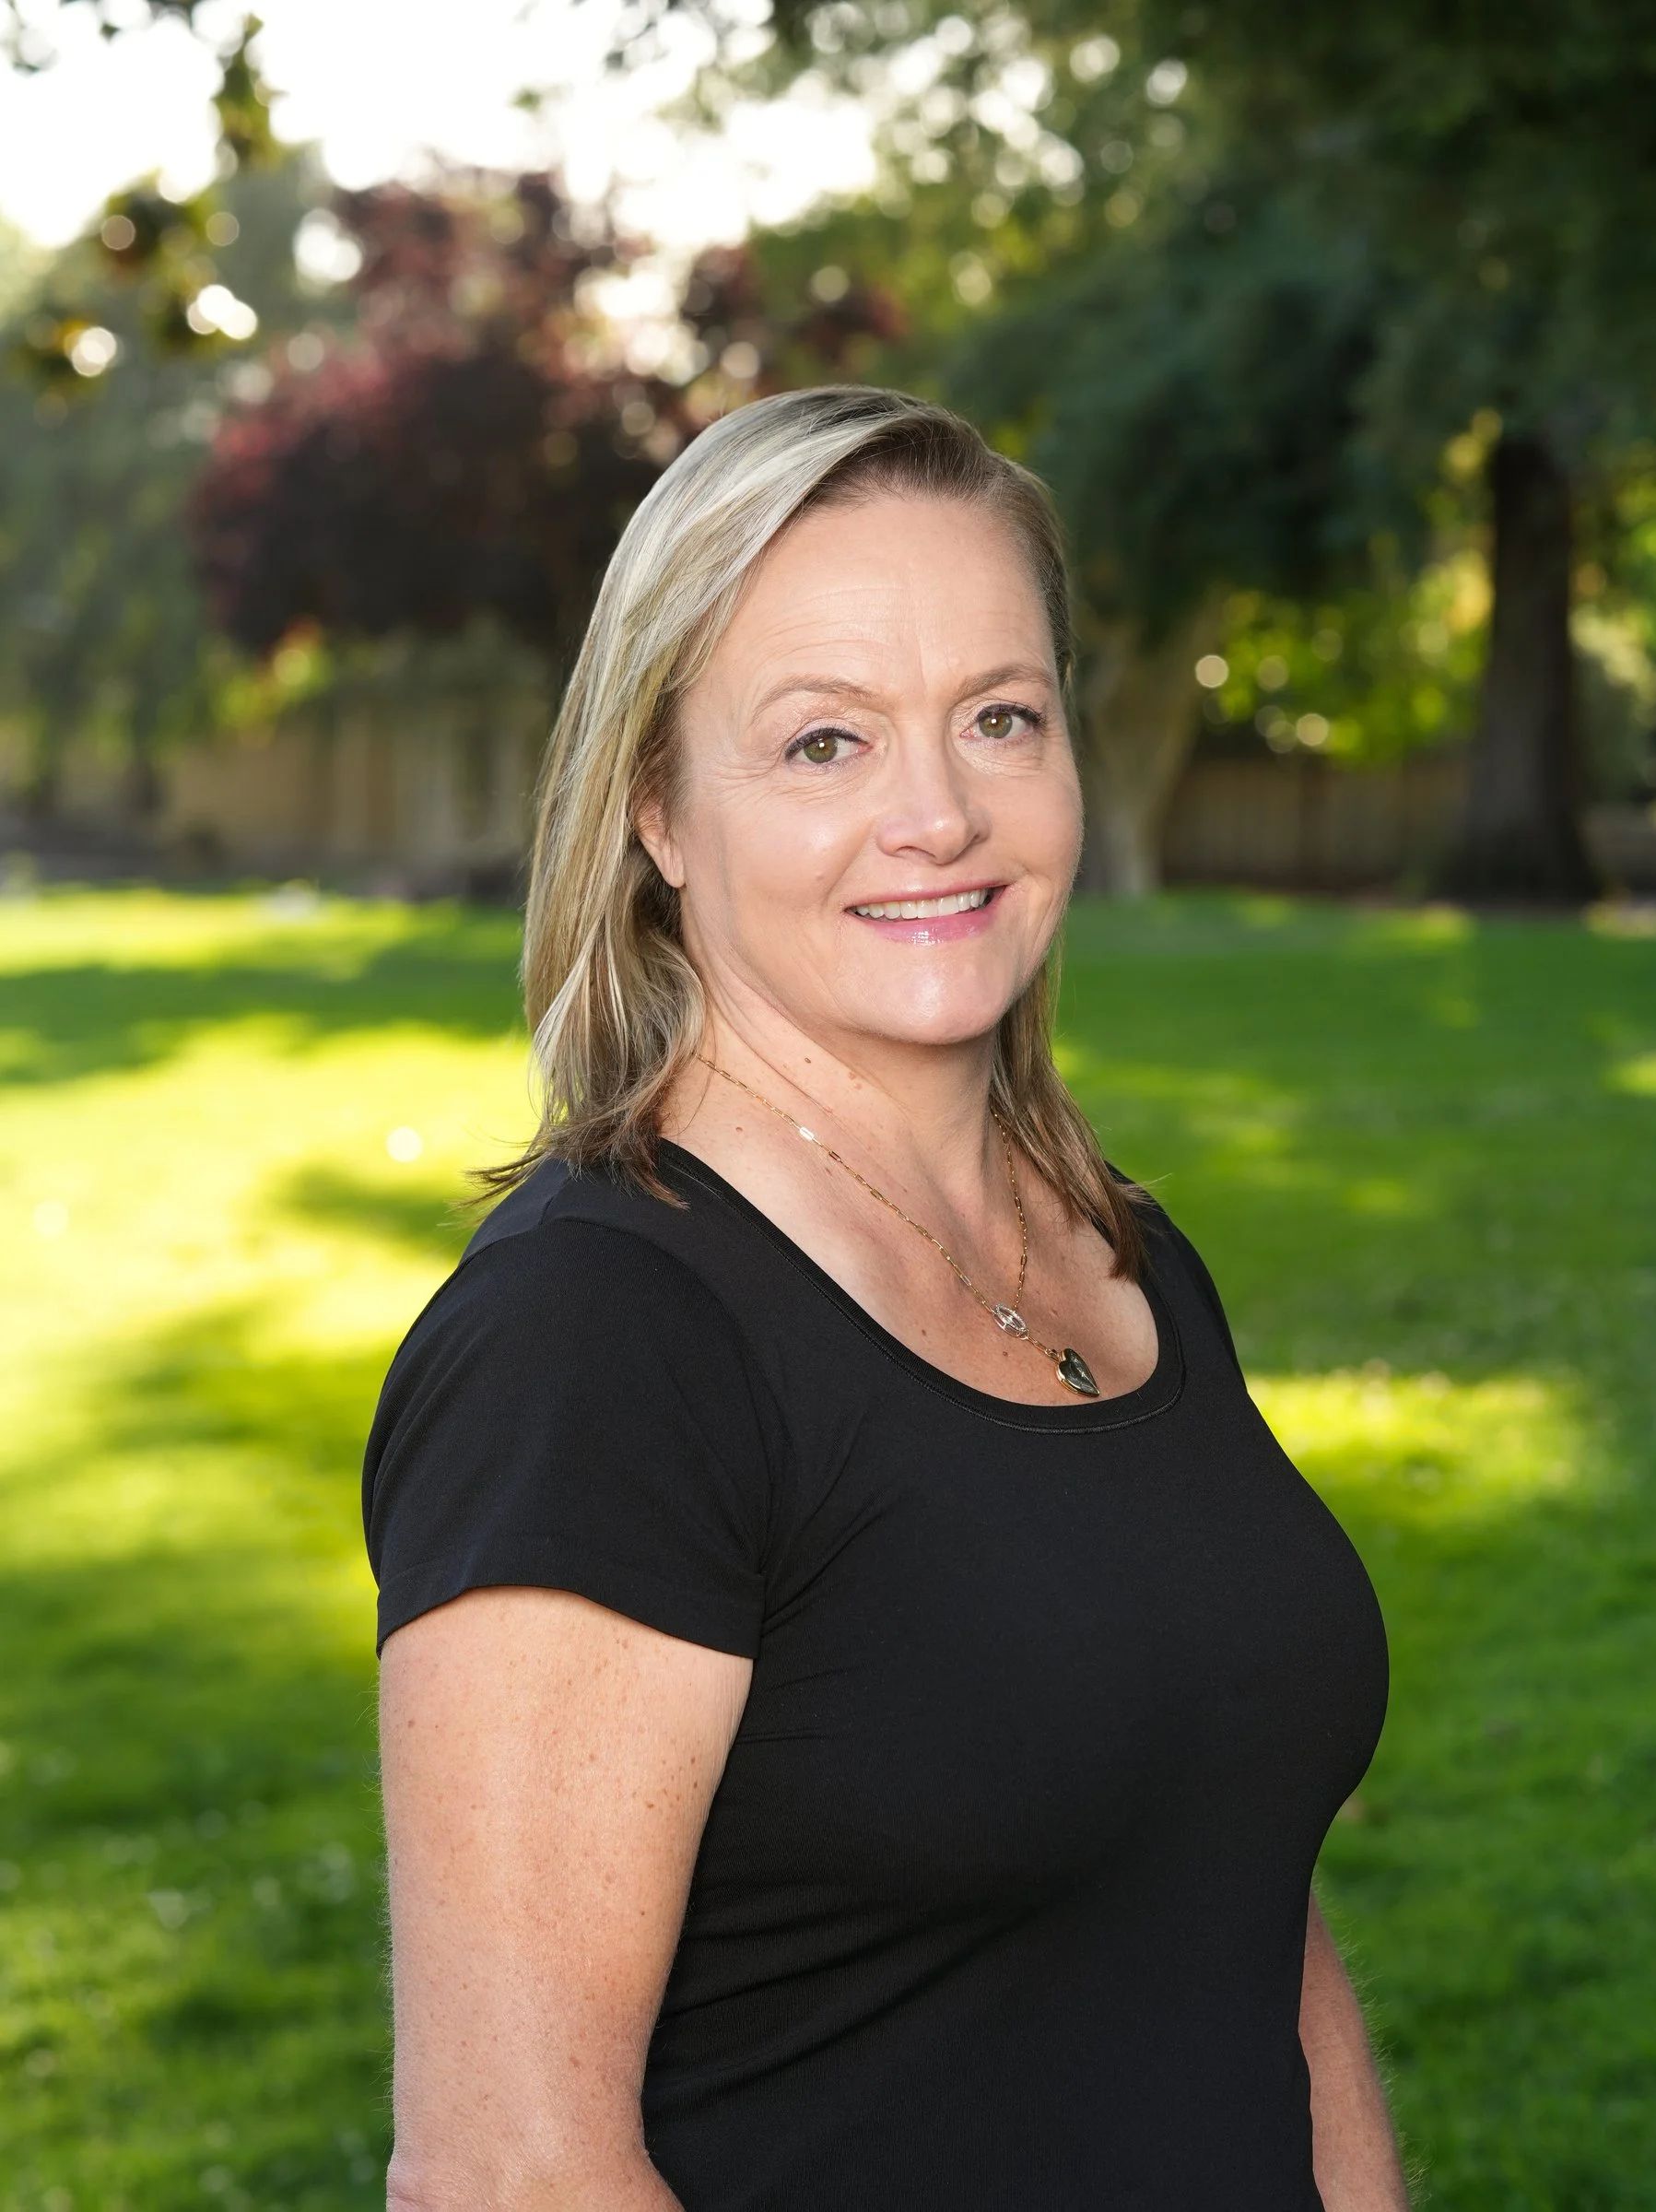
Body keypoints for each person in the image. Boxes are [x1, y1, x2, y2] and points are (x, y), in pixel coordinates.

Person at [361, 384, 1409, 2210]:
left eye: (999, 717)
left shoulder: (1117, 1259)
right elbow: (511, 2172)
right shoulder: (595, 1348)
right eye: (825, 744)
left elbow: (1236, 1894)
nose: (937, 813)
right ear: (658, 815)